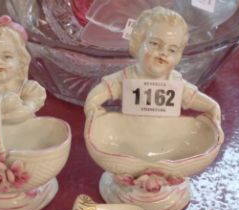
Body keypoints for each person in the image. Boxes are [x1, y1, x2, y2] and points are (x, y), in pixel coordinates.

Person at [84, 7, 221, 125]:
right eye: (155, 44)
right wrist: (92, 107)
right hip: (129, 137)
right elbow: (100, 93)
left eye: (172, 50)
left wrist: (212, 107)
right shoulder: (127, 78)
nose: (163, 53)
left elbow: (193, 97)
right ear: (137, 43)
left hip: (165, 140)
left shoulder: (174, 82)